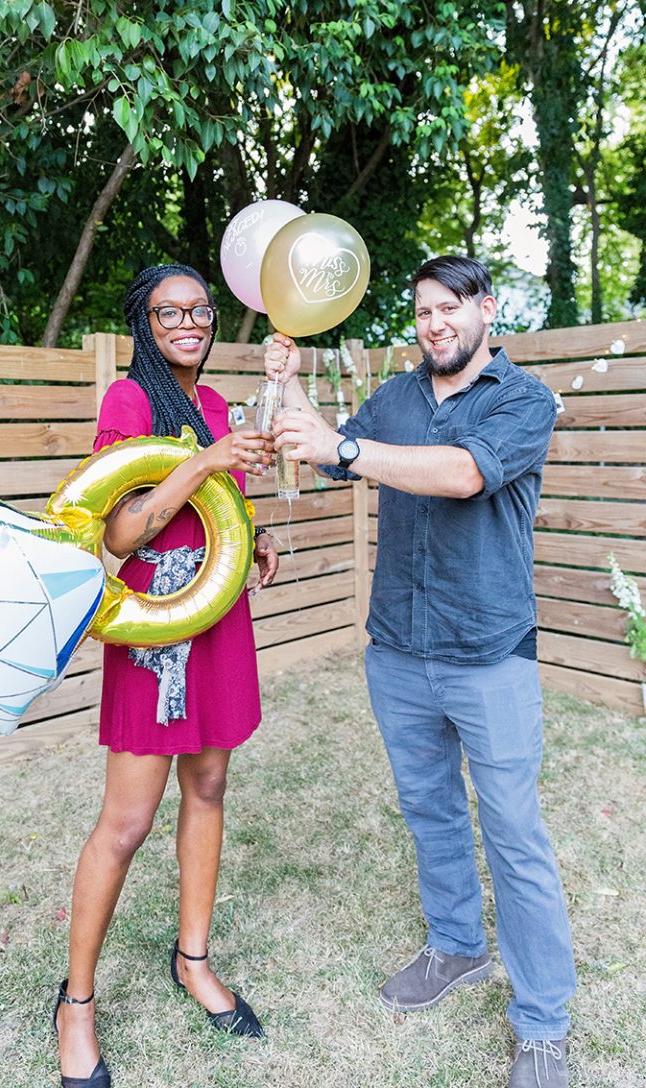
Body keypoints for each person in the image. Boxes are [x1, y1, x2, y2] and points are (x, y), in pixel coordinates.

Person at [264, 255, 575, 1088]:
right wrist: (290, 389)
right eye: (423, 312)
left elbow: (463, 473)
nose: (435, 323)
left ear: (485, 310)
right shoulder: (399, 396)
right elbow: (333, 456)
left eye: (449, 308)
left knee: (513, 833)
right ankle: (457, 948)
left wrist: (348, 445)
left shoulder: (522, 400)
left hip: (487, 654)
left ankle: (543, 1023)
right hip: (398, 649)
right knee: (430, 810)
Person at [54, 264, 279, 1088]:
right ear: (144, 324)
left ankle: (192, 959)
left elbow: (224, 508)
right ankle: (75, 1003)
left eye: (199, 310)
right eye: (168, 311)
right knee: (127, 820)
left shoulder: (216, 402)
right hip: (155, 630)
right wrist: (203, 462)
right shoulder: (130, 402)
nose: (189, 322)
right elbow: (117, 535)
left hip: (217, 619)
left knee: (211, 787)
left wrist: (254, 540)